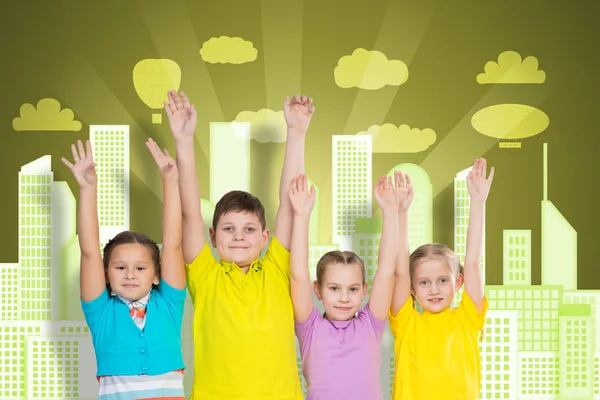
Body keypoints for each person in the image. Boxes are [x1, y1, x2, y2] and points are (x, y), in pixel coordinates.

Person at [165, 90, 315, 399]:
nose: (238, 235)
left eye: (249, 229)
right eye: (229, 228)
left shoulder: (276, 269)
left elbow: (289, 204)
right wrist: (183, 141)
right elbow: (190, 211)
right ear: (213, 237)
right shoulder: (205, 275)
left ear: (264, 237)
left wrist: (297, 132)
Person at [62, 138, 187, 399]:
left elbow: (174, 244)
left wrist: (170, 182)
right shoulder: (101, 311)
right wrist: (87, 188)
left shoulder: (169, 305)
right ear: (106, 273)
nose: (130, 274)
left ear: (156, 275)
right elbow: (88, 252)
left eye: (141, 268)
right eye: (120, 267)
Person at [290, 171, 410, 399]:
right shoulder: (310, 327)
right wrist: (302, 216)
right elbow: (298, 276)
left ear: (364, 290)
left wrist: (390, 212)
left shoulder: (370, 324)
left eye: (353, 289)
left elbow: (386, 270)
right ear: (318, 290)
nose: (344, 298)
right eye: (334, 288)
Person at [390, 158, 494, 400]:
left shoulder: (468, 317)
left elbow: (472, 263)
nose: (434, 289)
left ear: (458, 282)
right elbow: (401, 271)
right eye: (424, 282)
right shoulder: (405, 322)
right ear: (412, 289)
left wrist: (478, 202)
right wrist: (401, 213)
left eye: (443, 280)